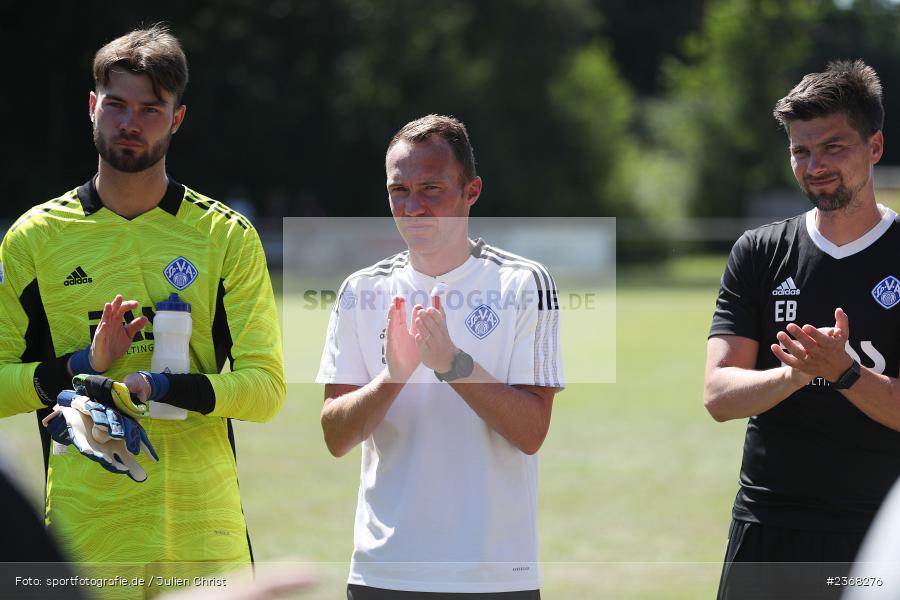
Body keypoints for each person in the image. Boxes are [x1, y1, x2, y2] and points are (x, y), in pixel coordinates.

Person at [0, 25, 284, 586]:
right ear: (92, 106)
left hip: (203, 536)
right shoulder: (33, 240)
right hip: (84, 544)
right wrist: (84, 366)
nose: (131, 123)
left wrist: (168, 388)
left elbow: (266, 390)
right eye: (117, 104)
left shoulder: (225, 237)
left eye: (151, 109)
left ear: (177, 118)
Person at [317, 114, 563, 599]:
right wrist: (394, 376)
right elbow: (336, 436)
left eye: (431, 188)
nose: (413, 208)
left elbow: (531, 432)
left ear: (471, 191)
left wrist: (453, 364)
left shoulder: (524, 283)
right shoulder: (361, 289)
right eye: (398, 190)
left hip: (493, 576)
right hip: (383, 573)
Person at [704, 60, 900, 599]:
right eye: (800, 150)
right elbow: (719, 395)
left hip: (878, 530)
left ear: (874, 148)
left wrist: (843, 373)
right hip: (768, 523)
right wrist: (792, 376)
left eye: (833, 147)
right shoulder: (759, 252)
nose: (814, 165)